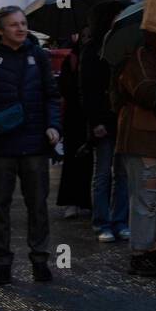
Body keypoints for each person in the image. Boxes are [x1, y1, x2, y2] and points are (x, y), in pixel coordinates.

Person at [0, 6, 62, 285]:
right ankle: (2, 263)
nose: (21, 28)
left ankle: (40, 260)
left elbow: (51, 96)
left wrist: (53, 125)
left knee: (38, 205)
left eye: (23, 23)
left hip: (34, 144)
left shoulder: (40, 57)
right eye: (14, 25)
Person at [114, 31, 156, 277]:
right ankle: (141, 253)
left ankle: (154, 247)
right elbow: (147, 93)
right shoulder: (140, 58)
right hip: (144, 139)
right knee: (147, 198)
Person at [82, 2, 129, 242]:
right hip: (104, 119)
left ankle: (120, 220)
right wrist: (95, 120)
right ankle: (102, 222)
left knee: (122, 173)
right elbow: (87, 89)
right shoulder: (92, 49)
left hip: (122, 117)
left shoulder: (126, 45)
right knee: (103, 172)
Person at [55, 31, 93, 220]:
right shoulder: (71, 60)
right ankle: (72, 201)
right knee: (72, 159)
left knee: (89, 161)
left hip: (88, 116)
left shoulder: (94, 56)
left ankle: (86, 201)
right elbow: (64, 87)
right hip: (74, 117)